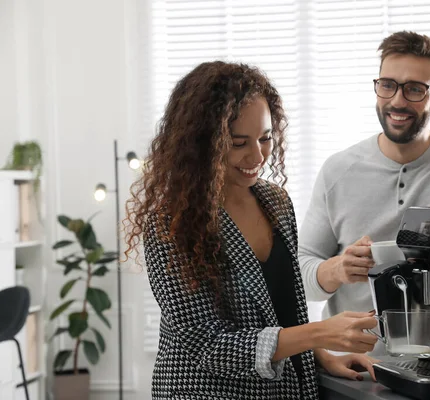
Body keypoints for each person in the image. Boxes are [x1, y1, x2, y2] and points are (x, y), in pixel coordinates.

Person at [124, 61, 378, 400]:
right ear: (202, 145)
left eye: (265, 137)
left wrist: (320, 357)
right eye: (238, 142)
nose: (257, 155)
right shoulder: (171, 224)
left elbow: (282, 311)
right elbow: (208, 345)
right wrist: (319, 334)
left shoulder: (275, 202)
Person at [298, 31, 430, 336]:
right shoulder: (337, 170)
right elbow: (301, 272)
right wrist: (337, 269)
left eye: (414, 89)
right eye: (387, 85)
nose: (397, 101)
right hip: (350, 365)